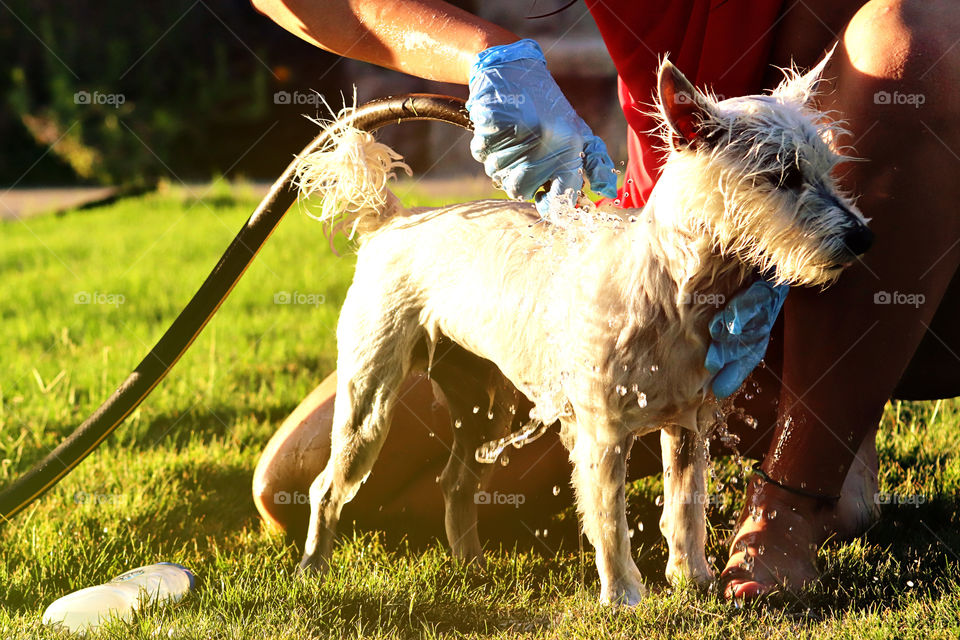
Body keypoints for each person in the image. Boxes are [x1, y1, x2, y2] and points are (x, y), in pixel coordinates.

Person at [249, 0, 960, 600]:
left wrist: (772, 237)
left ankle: (804, 477)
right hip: (643, 258)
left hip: (893, 265)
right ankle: (764, 422)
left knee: (914, 39)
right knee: (291, 482)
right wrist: (485, 54)